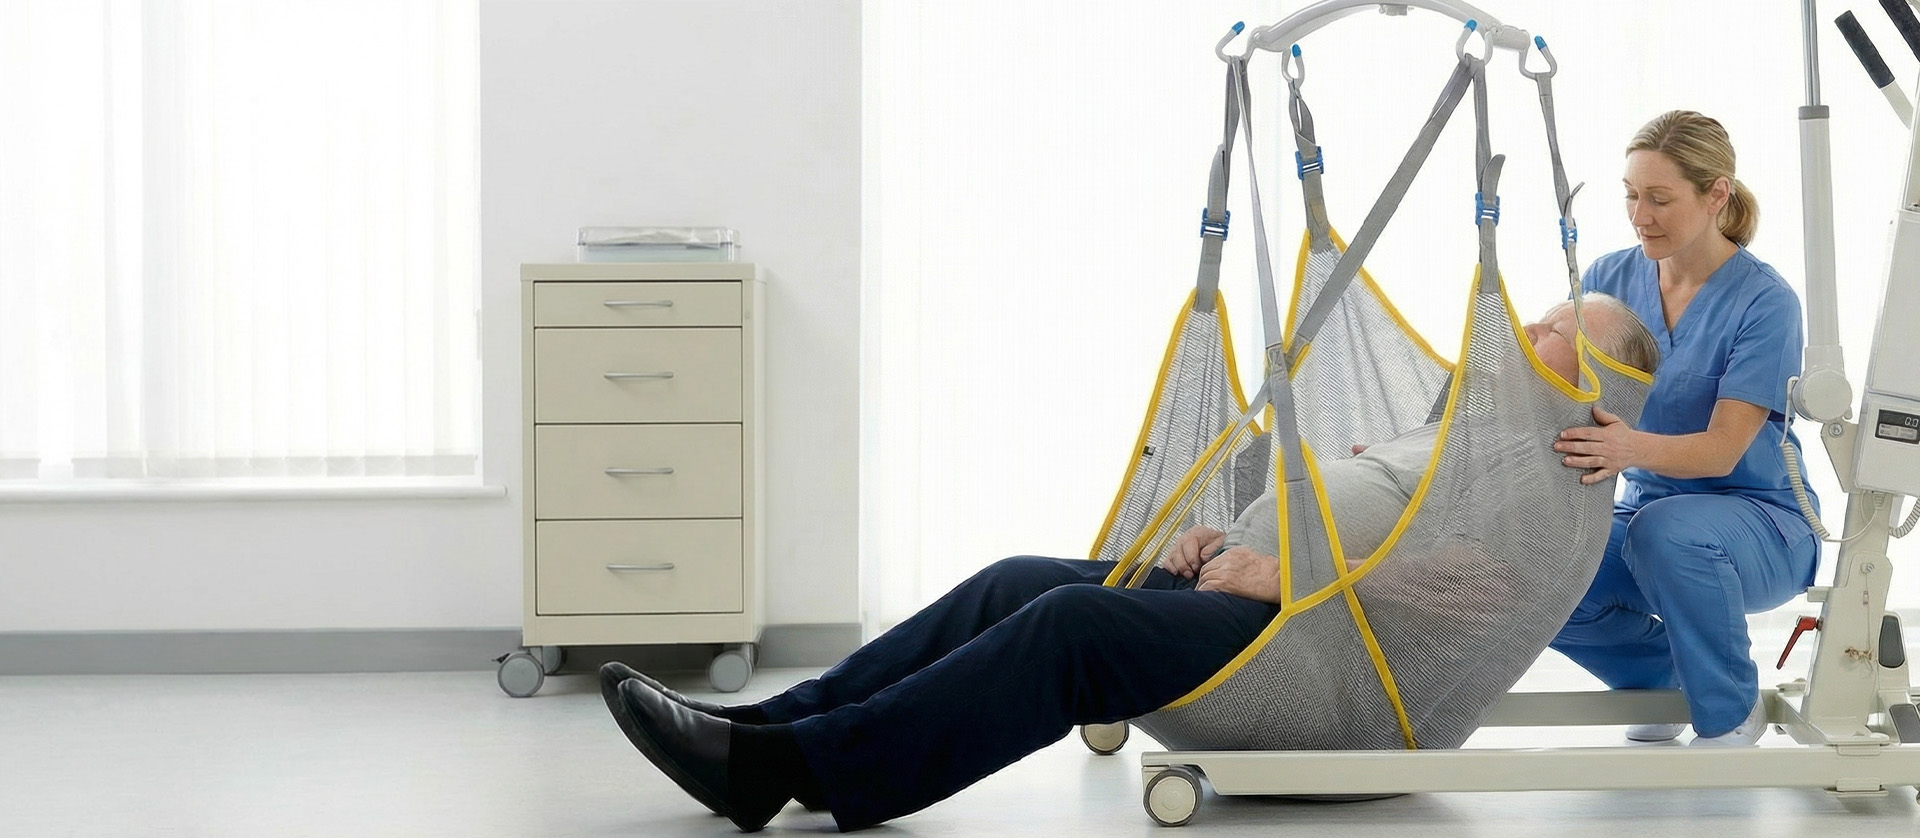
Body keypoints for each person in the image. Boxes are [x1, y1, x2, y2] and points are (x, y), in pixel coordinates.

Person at [603, 297, 1659, 833]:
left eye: (1562, 326)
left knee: (1075, 626)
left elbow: (1477, 595)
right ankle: (771, 726)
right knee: (1023, 576)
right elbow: (1346, 521)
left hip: (1330, 667)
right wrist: (1229, 539)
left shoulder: (1551, 463)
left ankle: (797, 772)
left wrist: (1292, 579)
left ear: (1602, 377)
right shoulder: (1454, 428)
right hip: (1266, 604)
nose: (1532, 324)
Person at [1548, 110, 1820, 747]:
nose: (1639, 215)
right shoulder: (1608, 279)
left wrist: (1625, 448)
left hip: (1761, 523)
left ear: (1716, 194)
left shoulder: (1765, 301)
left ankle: (1729, 714)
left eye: (1659, 198)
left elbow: (1723, 451)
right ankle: (1662, 680)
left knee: (1665, 530)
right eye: (1630, 195)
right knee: (1542, 563)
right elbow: (1551, 398)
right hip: (1648, 516)